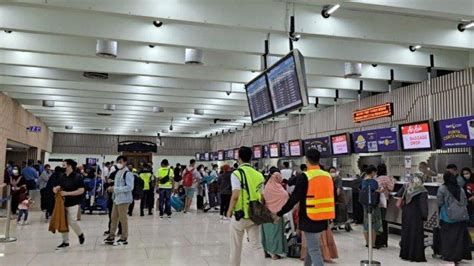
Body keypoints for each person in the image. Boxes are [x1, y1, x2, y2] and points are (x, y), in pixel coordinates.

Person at [277, 149, 335, 266]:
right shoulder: (327, 175)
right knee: (311, 246)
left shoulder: (306, 176)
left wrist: (280, 213)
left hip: (310, 217)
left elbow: (294, 198)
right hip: (323, 217)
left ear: (306, 160)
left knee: (314, 250)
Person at [226, 146, 265, 266]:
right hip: (254, 215)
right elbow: (262, 196)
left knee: (236, 247)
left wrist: (229, 210)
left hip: (240, 214)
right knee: (257, 246)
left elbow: (236, 195)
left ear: (239, 158)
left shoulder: (236, 174)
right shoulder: (259, 175)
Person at [437, 171, 472, 263]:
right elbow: (465, 202)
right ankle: (458, 255)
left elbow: (439, 202)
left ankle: (448, 255)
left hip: (447, 216)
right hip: (460, 217)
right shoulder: (460, 189)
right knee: (458, 237)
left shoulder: (442, 188)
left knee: (447, 237)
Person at [53, 159, 85, 249]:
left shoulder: (78, 177)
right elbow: (60, 186)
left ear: (70, 166)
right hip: (62, 203)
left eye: (64, 165)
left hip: (73, 202)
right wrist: (56, 188)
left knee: (72, 221)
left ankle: (80, 234)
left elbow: (81, 190)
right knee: (63, 222)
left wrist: (67, 193)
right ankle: (65, 241)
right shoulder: (63, 176)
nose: (63, 167)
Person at [397, 173, 428, 262]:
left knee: (406, 233)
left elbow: (398, 194)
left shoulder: (407, 186)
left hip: (406, 213)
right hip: (416, 215)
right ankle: (415, 255)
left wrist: (404, 186)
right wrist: (424, 216)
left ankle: (405, 254)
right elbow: (423, 205)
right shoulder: (422, 190)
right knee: (416, 234)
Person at [104, 156, 134, 246]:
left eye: (121, 162)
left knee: (122, 218)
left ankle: (124, 237)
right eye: (118, 162)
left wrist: (115, 189)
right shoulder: (117, 173)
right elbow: (116, 185)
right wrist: (111, 188)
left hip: (124, 199)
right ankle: (111, 236)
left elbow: (130, 187)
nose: (119, 163)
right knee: (113, 217)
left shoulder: (127, 173)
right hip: (116, 199)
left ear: (125, 162)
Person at [262, 167, 288, 260]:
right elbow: (285, 196)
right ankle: (274, 253)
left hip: (266, 214)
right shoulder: (279, 188)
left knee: (266, 234)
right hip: (276, 214)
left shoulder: (267, 186)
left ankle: (265, 251)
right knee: (275, 234)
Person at [361, 165, 382, 248]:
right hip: (373, 205)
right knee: (373, 224)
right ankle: (372, 243)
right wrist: (379, 190)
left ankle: (367, 242)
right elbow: (375, 191)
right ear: (373, 172)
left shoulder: (363, 181)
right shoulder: (374, 182)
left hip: (365, 205)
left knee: (366, 223)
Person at [374, 163, 394, 249]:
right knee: (384, 221)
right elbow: (391, 188)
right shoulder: (387, 178)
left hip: (377, 202)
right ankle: (384, 241)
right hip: (385, 202)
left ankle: (378, 241)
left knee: (378, 221)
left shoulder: (376, 179)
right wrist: (392, 181)